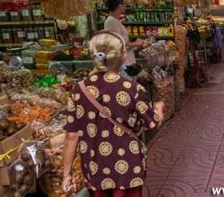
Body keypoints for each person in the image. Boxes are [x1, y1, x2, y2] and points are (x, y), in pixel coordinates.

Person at [62, 32, 164, 197]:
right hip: (127, 169)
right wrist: (158, 109)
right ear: (123, 57)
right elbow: (152, 124)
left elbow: (71, 136)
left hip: (95, 169)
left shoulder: (78, 90)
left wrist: (66, 174)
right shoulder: (132, 89)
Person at [104, 0, 148, 71]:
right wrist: (136, 44)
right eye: (124, 3)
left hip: (128, 64)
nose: (125, 6)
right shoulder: (111, 22)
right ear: (119, 6)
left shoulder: (115, 21)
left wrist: (138, 45)